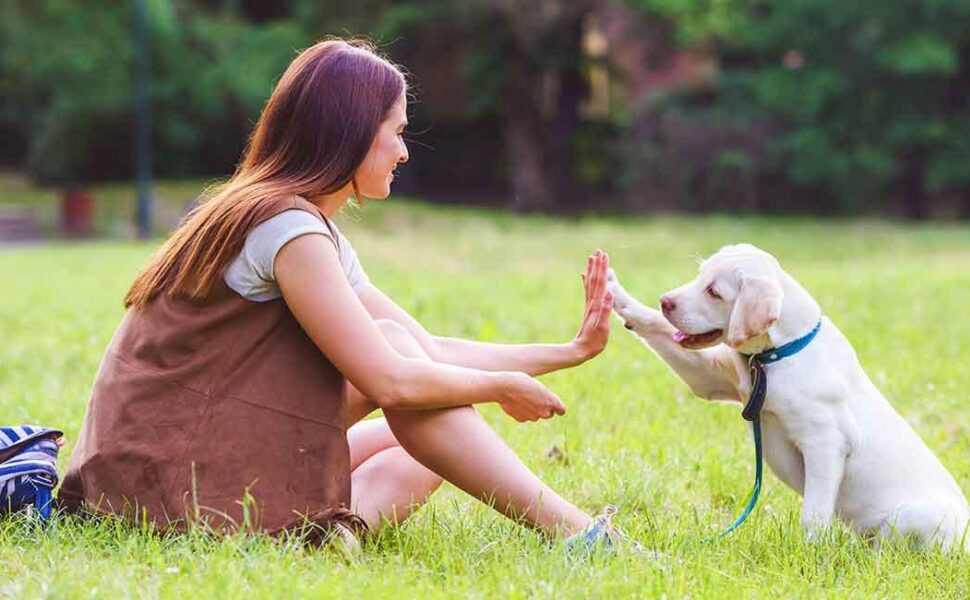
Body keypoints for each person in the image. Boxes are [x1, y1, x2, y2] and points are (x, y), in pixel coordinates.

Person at [59, 39, 627, 551]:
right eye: (398, 132)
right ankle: (580, 535)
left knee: (427, 450)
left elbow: (425, 350)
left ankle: (315, 536)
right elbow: (391, 379)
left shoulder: (299, 220)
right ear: (352, 131)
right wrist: (501, 385)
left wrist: (568, 352)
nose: (404, 152)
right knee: (409, 374)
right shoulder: (285, 228)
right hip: (155, 483)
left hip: (166, 463)